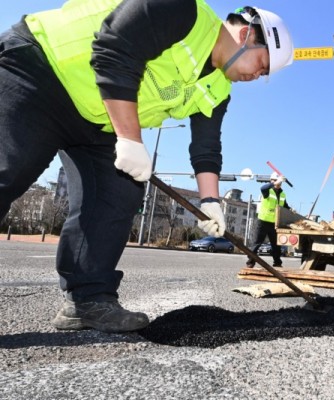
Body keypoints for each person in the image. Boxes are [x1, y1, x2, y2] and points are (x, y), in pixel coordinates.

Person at [0, 0, 293, 333]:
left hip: (98, 119)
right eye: (262, 65)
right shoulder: (182, 10)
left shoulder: (219, 90)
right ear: (247, 35)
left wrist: (210, 203)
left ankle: (88, 301)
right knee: (7, 171)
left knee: (118, 192)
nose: (258, 76)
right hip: (41, 70)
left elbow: (206, 147)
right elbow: (114, 49)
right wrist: (130, 140)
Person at [246, 172, 290, 268]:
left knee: (276, 245)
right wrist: (275, 182)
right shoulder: (267, 191)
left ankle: (277, 263)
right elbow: (263, 188)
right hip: (263, 221)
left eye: (279, 182)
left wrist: (291, 209)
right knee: (257, 243)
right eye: (274, 181)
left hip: (275, 223)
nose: (277, 183)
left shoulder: (282, 194)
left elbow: (285, 206)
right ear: (271, 181)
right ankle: (250, 261)